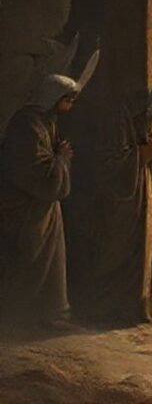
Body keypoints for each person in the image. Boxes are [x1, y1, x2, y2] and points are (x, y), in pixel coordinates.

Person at [88, 87, 152, 325]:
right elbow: (109, 166)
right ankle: (115, 307)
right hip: (128, 198)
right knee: (121, 247)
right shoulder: (120, 124)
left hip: (150, 192)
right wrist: (144, 153)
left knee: (146, 245)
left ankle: (144, 304)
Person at [0, 75, 77, 331]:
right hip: (25, 206)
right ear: (53, 97)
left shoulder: (47, 121)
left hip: (45, 207)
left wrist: (58, 160)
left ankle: (48, 313)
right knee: (29, 259)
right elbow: (29, 168)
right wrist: (61, 160)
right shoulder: (27, 123)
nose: (70, 106)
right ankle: (21, 316)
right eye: (67, 100)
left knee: (51, 259)